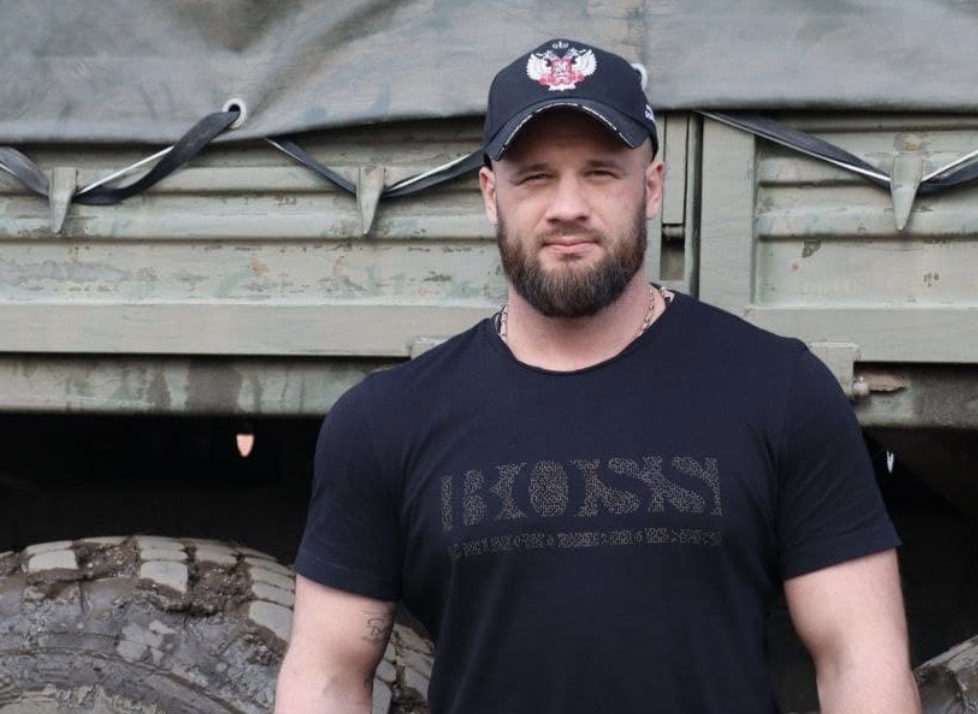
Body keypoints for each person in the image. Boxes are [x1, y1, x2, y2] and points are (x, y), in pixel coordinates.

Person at [275, 38, 921, 714]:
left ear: (652, 187)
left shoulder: (777, 390)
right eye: (535, 176)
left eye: (601, 172)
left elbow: (858, 660)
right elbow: (328, 675)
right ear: (492, 195)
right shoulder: (386, 421)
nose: (568, 206)